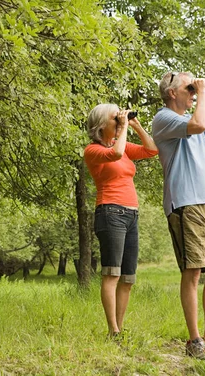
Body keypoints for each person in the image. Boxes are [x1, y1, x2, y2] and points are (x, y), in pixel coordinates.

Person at [152, 72, 205, 359]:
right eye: (188, 88)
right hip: (185, 204)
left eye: (195, 87)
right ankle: (194, 341)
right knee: (193, 272)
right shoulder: (164, 118)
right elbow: (198, 125)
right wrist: (201, 93)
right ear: (172, 92)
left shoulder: (194, 117)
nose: (193, 91)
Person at [84, 104, 158, 338]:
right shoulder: (92, 150)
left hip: (131, 214)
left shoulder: (124, 148)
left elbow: (152, 150)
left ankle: (120, 328)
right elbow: (114, 154)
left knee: (127, 277)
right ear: (100, 125)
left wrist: (135, 125)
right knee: (112, 273)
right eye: (114, 118)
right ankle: (112, 330)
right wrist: (124, 125)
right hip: (110, 212)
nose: (119, 121)